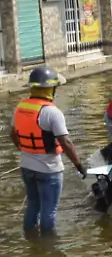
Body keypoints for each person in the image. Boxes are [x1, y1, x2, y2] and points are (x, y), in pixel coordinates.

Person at [11, 66, 85, 236]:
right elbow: (65, 142)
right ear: (51, 89)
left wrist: (24, 150)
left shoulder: (20, 107)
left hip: (26, 167)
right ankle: (48, 246)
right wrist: (79, 165)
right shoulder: (52, 112)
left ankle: (30, 238)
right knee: (49, 210)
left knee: (32, 204)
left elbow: (12, 134)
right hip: (49, 169)